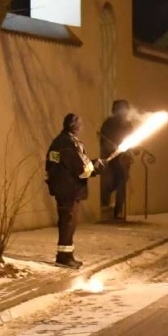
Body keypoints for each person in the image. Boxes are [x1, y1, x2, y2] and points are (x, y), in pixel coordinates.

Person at [45, 113, 101, 268]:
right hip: (69, 189)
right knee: (68, 223)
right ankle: (63, 258)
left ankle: (66, 254)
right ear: (74, 126)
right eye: (79, 124)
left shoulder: (57, 142)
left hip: (62, 188)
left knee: (66, 222)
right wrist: (95, 166)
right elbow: (81, 168)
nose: (81, 127)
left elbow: (53, 164)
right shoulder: (69, 143)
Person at [98, 99, 135, 222]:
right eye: (119, 109)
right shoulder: (109, 123)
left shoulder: (128, 124)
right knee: (108, 183)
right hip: (110, 156)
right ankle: (105, 205)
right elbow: (104, 139)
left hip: (123, 158)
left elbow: (132, 139)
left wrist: (130, 151)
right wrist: (111, 148)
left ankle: (118, 211)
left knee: (121, 184)